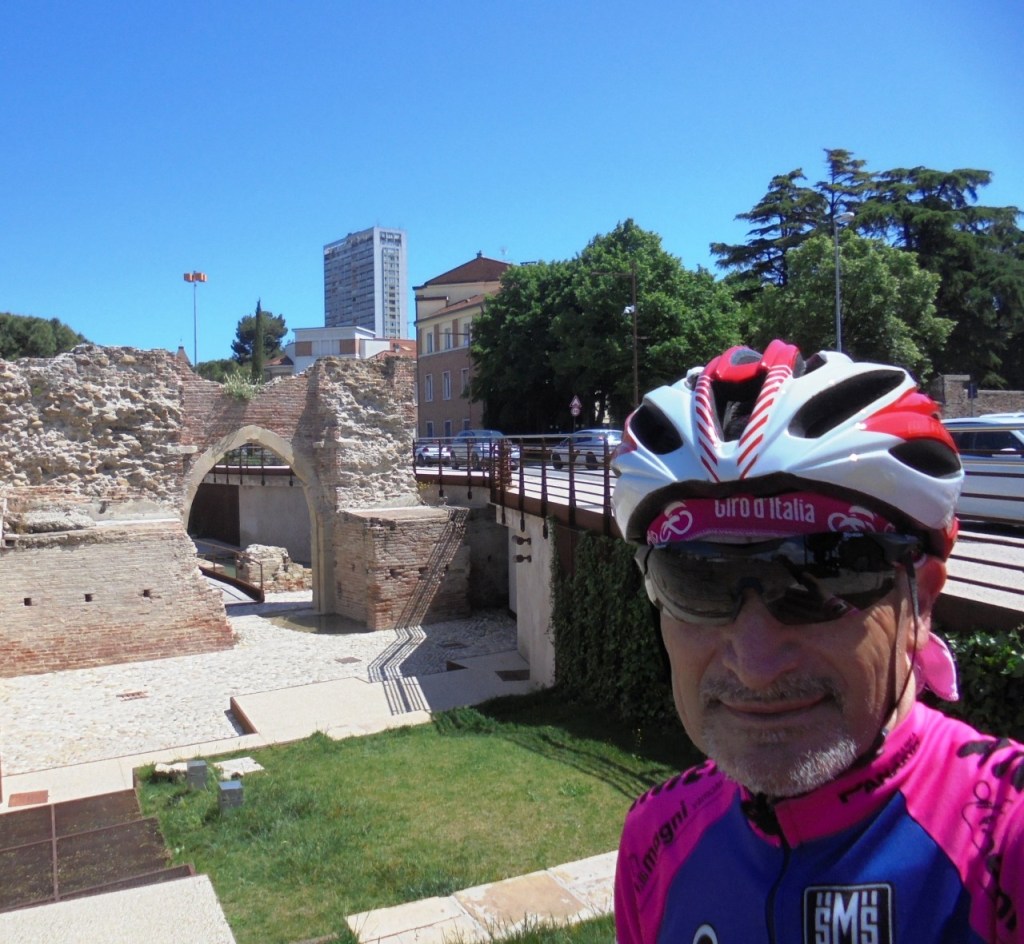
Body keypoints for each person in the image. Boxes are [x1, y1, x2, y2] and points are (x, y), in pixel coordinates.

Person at [610, 340, 1023, 944]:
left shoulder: (1006, 833)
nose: (755, 665)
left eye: (826, 576)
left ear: (922, 601)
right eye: (697, 580)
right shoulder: (654, 836)